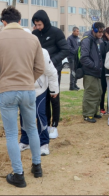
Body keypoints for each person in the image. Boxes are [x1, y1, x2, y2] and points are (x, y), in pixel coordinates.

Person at [0, 6, 44, 188]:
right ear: (20, 21)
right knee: (32, 129)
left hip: (7, 90)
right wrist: (28, 81)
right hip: (28, 89)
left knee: (11, 134)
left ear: (3, 22)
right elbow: (40, 67)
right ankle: (37, 167)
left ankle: (18, 174)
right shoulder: (33, 38)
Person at [19, 28, 59, 156]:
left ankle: (44, 143)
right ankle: (25, 141)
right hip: (23, 88)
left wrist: (53, 90)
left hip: (39, 89)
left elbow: (52, 72)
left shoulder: (42, 53)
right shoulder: (15, 52)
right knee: (23, 115)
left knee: (40, 114)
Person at [32, 10, 69, 139]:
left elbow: (65, 49)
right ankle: (45, 125)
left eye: (40, 24)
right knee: (43, 98)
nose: (38, 27)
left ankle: (54, 126)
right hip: (40, 72)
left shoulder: (56, 32)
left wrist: (50, 62)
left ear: (45, 22)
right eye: (36, 25)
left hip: (54, 70)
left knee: (54, 97)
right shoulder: (35, 34)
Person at [80, 22, 105, 123]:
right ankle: (87, 114)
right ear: (94, 30)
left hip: (97, 71)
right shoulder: (87, 40)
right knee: (91, 92)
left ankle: (94, 111)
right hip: (90, 71)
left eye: (102, 32)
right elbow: (84, 57)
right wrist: (94, 66)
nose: (101, 34)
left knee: (98, 91)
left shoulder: (98, 40)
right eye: (99, 31)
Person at [67, 26, 80, 91]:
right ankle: (71, 86)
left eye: (78, 31)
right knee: (72, 71)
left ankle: (75, 84)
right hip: (71, 57)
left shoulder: (78, 38)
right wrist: (75, 51)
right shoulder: (69, 38)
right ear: (73, 31)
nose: (78, 32)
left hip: (77, 57)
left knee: (76, 71)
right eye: (77, 31)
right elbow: (69, 47)